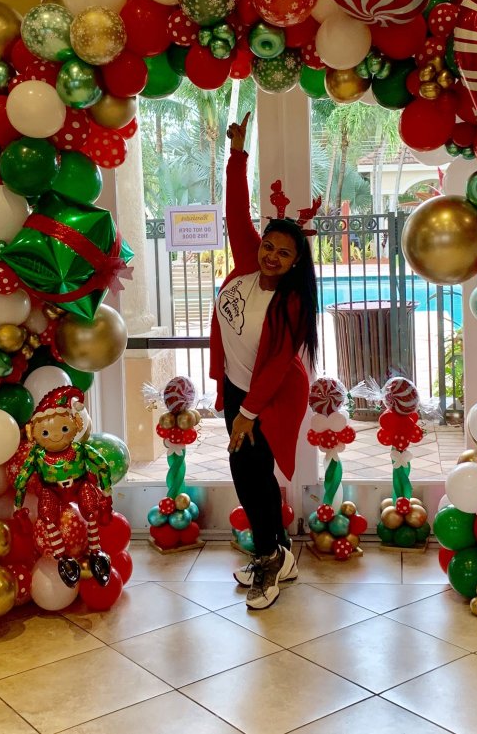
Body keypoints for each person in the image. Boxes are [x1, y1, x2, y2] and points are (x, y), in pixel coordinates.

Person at [209, 112, 319, 610]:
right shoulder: (247, 267)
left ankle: (272, 562)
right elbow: (236, 213)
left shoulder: (292, 302)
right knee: (246, 476)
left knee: (254, 479)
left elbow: (276, 366)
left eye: (283, 253)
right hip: (238, 388)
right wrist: (237, 154)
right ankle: (281, 555)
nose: (272, 256)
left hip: (269, 397)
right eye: (269, 247)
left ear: (297, 262)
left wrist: (249, 413)